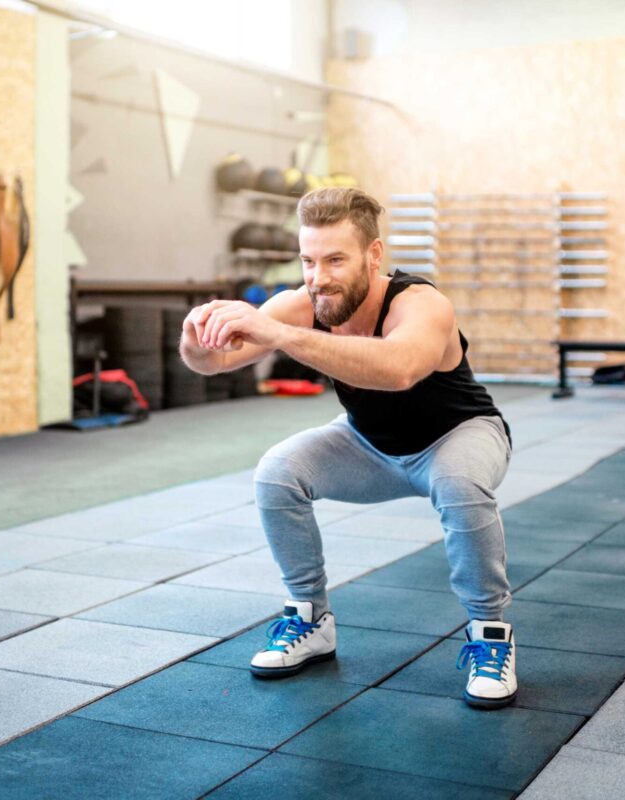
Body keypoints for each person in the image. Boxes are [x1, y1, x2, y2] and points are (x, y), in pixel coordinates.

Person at [179, 187, 516, 709]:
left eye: (335, 259)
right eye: (309, 261)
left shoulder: (422, 303)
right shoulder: (304, 303)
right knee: (277, 471)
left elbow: (398, 369)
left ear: (373, 255)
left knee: (458, 483)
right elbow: (216, 362)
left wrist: (279, 334)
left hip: (459, 436)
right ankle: (310, 620)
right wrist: (195, 338)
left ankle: (490, 636)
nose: (319, 277)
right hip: (368, 444)